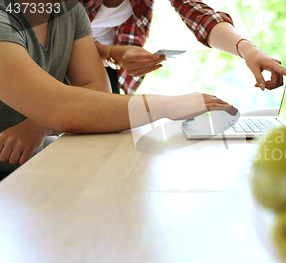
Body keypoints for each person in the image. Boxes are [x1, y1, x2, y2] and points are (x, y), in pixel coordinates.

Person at [0, 0, 245, 178]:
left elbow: (97, 90)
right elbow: (56, 106)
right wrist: (170, 105)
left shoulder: (72, 12)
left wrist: (39, 124)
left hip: (28, 169)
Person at [79, 0, 286, 94]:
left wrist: (248, 50)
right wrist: (111, 52)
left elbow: (200, 16)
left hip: (110, 70)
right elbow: (58, 33)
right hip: (63, 60)